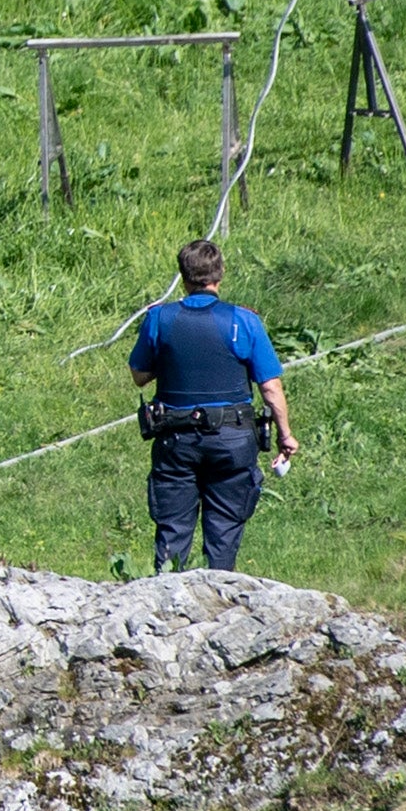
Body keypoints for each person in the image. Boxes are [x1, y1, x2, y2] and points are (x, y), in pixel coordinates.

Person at [128, 239, 300, 574]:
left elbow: (139, 375)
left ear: (183, 276)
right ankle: (220, 594)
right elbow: (270, 387)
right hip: (233, 440)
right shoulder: (245, 322)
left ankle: (164, 602)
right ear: (219, 276)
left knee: (172, 529)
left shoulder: (159, 319)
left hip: (175, 439)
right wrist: (286, 435)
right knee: (225, 532)